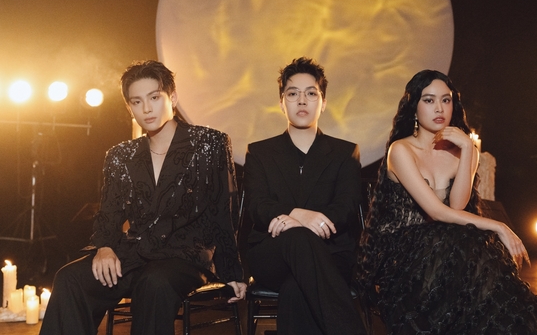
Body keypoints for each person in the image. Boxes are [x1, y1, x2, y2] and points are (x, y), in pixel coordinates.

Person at [39, 60, 246, 335]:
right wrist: (104, 247)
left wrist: (232, 274)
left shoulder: (210, 143)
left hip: (184, 256)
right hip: (133, 254)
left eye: (154, 98)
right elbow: (110, 212)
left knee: (154, 282)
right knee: (70, 278)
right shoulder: (120, 155)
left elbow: (223, 211)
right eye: (137, 102)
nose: (146, 109)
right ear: (130, 108)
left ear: (173, 98)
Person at [358, 70, 537, 334]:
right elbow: (435, 211)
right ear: (414, 108)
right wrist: (498, 226)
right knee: (463, 242)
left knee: (464, 247)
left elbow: (456, 206)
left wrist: (467, 150)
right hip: (401, 256)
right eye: (429, 100)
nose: (439, 108)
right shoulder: (400, 150)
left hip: (444, 251)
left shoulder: (464, 151)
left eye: (446, 100)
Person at [243, 57, 367, 335]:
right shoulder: (260, 152)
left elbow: (346, 206)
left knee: (296, 290)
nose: (302, 101)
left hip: (331, 252)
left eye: (311, 93)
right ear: (281, 102)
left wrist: (297, 220)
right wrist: (297, 214)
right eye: (293, 94)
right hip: (272, 253)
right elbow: (257, 205)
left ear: (323, 103)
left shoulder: (345, 152)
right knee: (297, 238)